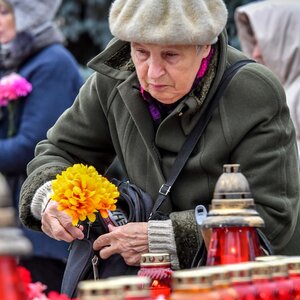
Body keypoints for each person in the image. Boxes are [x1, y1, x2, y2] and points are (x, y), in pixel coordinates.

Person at [19, 0, 300, 288]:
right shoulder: (113, 79)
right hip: (151, 285)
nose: (152, 72)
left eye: (170, 55)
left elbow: (271, 216)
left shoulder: (253, 91)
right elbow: (60, 151)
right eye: (141, 52)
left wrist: (162, 238)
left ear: (205, 46)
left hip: (240, 284)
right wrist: (51, 197)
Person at [0, 0, 83, 293]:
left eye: (4, 12)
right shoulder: (19, 62)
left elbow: (32, 147)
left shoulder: (52, 63)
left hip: (47, 229)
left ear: (28, 17)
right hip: (21, 224)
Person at [234, 0, 300, 155]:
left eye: (264, 43)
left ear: (289, 40)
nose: (256, 53)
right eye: (254, 43)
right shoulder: (284, 88)